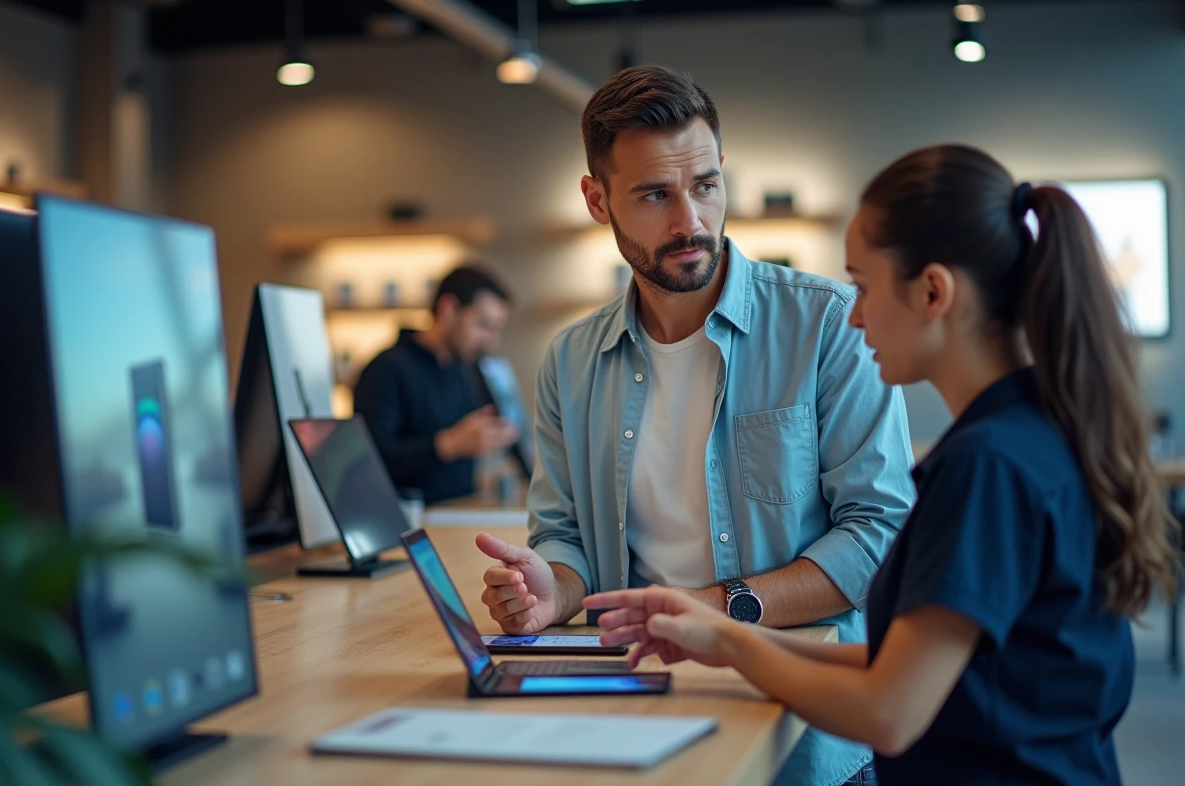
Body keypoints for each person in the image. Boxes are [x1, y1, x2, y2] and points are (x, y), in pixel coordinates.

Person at [582, 144, 1182, 786]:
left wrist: (729, 641)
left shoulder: (987, 468)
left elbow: (889, 712)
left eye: (864, 287)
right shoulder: (1026, 435)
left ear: (932, 292)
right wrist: (719, 632)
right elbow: (899, 666)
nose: (856, 313)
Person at [475, 64, 916, 786]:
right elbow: (565, 538)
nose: (690, 222)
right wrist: (549, 593)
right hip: (632, 713)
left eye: (706, 186)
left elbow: (880, 535)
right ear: (597, 199)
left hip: (801, 730)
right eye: (654, 195)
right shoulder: (571, 359)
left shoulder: (827, 324)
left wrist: (717, 611)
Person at [354, 266, 519, 505]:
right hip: (410, 523)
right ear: (449, 310)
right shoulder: (387, 369)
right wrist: (449, 444)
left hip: (461, 513)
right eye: (483, 325)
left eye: (495, 329)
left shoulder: (467, 368)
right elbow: (370, 462)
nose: (491, 341)